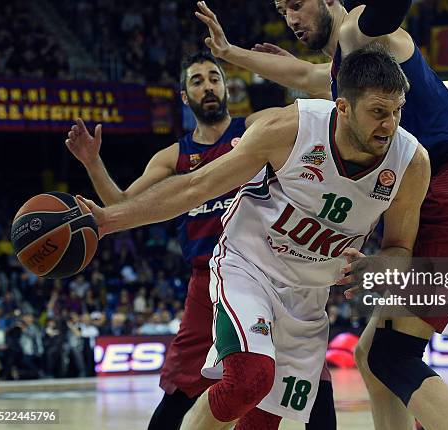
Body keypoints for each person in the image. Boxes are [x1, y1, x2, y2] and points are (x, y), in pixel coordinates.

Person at [194, 0, 448, 428]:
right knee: (371, 356)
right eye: (282, 9)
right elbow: (302, 75)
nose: (291, 18)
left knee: (392, 355)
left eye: (298, 4)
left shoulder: (359, 33)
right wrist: (230, 53)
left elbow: (381, 17)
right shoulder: (348, 80)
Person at [79, 46, 429, 430]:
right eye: (378, 112)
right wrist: (111, 219)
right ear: (342, 107)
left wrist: (379, 266)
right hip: (250, 265)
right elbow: (196, 187)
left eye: (397, 111)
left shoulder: (411, 162)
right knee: (248, 379)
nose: (390, 125)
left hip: (308, 297)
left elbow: (400, 247)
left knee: (264, 420)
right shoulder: (290, 130)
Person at [65, 52, 301, 430]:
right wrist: (94, 163)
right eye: (197, 80)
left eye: (214, 78)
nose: (207, 85)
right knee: (180, 387)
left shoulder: (256, 129)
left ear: (226, 87)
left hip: (264, 275)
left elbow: (308, 119)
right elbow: (123, 205)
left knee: (272, 388)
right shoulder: (173, 156)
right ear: (184, 96)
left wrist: (291, 71)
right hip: (206, 281)